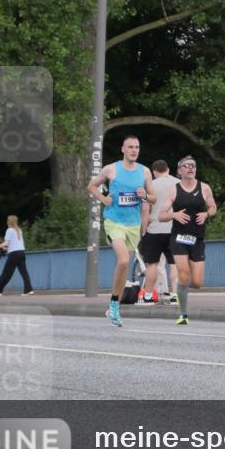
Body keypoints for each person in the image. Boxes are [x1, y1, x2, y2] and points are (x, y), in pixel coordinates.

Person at [87, 135, 156, 328]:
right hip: (114, 222)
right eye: (130, 147)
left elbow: (154, 198)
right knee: (124, 259)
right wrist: (102, 198)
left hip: (132, 225)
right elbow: (91, 186)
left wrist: (146, 196)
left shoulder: (145, 172)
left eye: (137, 147)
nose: (134, 150)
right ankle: (115, 305)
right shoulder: (111, 169)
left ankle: (113, 303)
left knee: (124, 267)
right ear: (123, 149)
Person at [158, 156, 217, 325]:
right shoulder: (173, 190)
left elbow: (213, 207)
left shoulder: (204, 188)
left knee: (197, 282)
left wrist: (206, 214)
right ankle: (183, 314)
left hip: (197, 239)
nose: (191, 168)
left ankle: (181, 290)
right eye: (187, 166)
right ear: (180, 170)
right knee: (183, 274)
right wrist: (174, 214)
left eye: (193, 165)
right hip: (178, 238)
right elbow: (161, 215)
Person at [137, 160, 180, 306]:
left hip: (154, 230)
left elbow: (144, 210)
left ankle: (148, 296)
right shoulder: (178, 184)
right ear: (167, 169)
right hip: (174, 230)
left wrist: (143, 230)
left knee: (152, 264)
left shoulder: (151, 186)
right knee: (174, 264)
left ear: (154, 172)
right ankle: (174, 296)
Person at [0, 215, 35, 295]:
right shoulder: (19, 230)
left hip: (14, 254)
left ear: (9, 221)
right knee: (24, 272)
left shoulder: (9, 230)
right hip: (21, 253)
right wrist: (6, 249)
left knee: (6, 273)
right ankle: (29, 290)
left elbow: (6, 243)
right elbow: (14, 243)